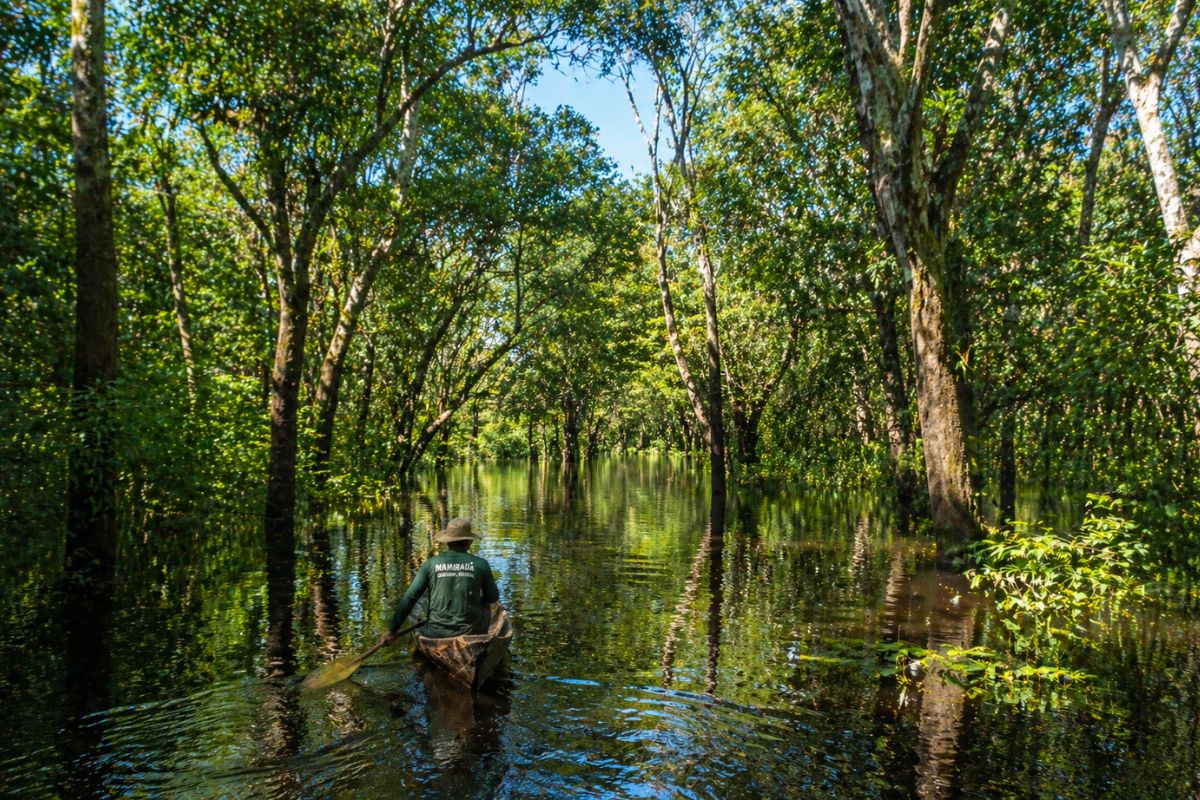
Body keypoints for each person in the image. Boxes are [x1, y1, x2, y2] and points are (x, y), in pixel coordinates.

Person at [380, 518, 500, 645]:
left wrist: (392, 631)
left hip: (434, 633)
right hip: (471, 632)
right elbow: (493, 598)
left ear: (447, 541)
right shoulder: (481, 564)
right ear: (468, 541)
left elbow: (410, 597)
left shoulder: (430, 564)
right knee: (485, 604)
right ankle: (479, 640)